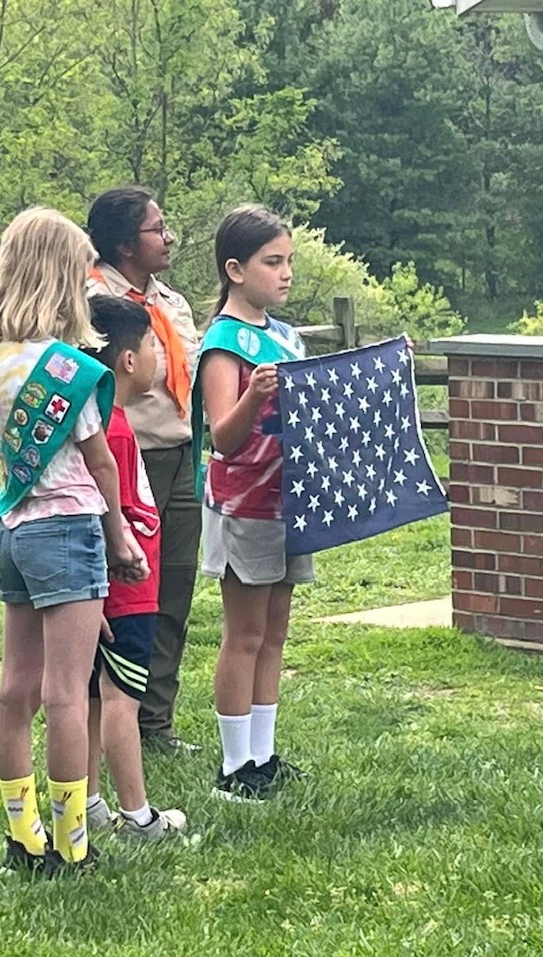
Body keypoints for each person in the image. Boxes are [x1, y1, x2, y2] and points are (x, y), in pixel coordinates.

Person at [0, 207, 148, 875]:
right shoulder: (64, 368)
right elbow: (100, 461)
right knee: (68, 694)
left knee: (15, 691)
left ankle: (24, 835)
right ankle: (74, 841)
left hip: (13, 526)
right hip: (69, 524)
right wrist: (121, 534)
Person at [194, 205, 312, 802]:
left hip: (287, 500)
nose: (286, 273)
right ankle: (234, 765)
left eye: (289, 260)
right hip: (243, 503)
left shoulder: (286, 335)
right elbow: (222, 434)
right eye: (273, 262)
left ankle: (264, 755)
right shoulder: (223, 341)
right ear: (235, 269)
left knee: (275, 633)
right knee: (243, 634)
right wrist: (255, 393)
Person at [86, 187, 202, 753]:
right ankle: (107, 713)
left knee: (173, 587)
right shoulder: (92, 302)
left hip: (180, 455)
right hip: (125, 455)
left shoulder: (170, 302)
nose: (169, 237)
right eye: (158, 229)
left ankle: (155, 720)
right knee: (121, 592)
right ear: (125, 242)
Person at [82, 295, 188, 841]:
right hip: (128, 591)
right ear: (127, 359)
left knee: (95, 695)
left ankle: (91, 801)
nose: (156, 355)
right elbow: (110, 512)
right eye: (151, 345)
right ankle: (137, 815)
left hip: (105, 591)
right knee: (123, 696)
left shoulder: (103, 421)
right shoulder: (115, 432)